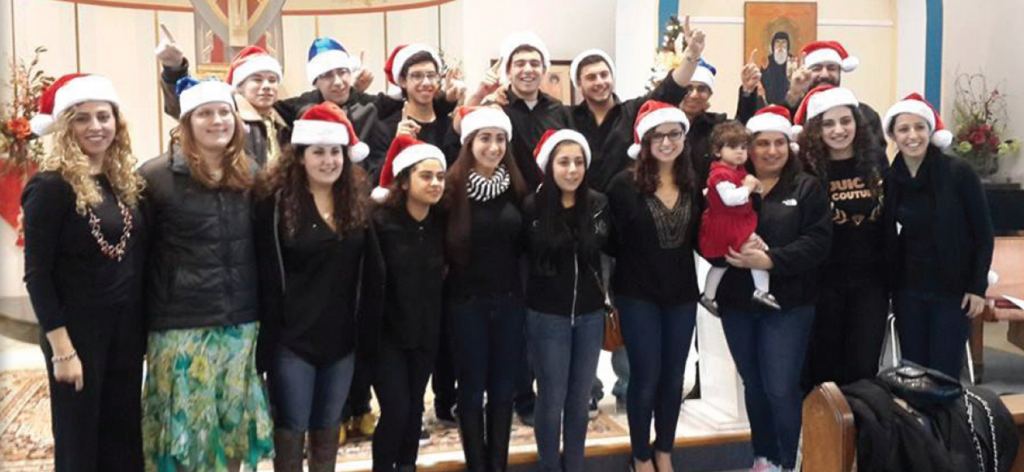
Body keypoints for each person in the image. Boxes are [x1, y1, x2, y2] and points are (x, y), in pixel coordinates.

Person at [563, 19, 705, 415]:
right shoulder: (567, 119)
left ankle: (630, 386)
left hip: (631, 230)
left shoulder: (630, 113)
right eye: (589, 76)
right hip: (583, 230)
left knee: (628, 306)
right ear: (579, 83)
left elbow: (671, 90)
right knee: (588, 311)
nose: (598, 81)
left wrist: (691, 55)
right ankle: (587, 388)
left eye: (604, 74)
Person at [139, 77, 274, 472]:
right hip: (180, 325)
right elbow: (139, 258)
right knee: (187, 436)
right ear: (186, 123)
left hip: (239, 321)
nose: (217, 121)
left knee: (233, 427)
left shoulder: (249, 171)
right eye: (205, 114)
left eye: (224, 113)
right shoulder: (155, 177)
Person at [22, 73, 146, 472]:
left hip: (124, 331)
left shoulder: (122, 182)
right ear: (65, 127)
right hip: (75, 332)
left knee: (123, 436)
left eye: (104, 116)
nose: (96, 126)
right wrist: (63, 351)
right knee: (80, 442)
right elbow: (37, 277)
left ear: (117, 123)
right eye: (82, 118)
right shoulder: (50, 187)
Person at [253, 102, 382, 472]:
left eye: (335, 152)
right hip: (292, 341)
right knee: (291, 428)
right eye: (319, 152)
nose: (329, 161)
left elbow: (371, 271)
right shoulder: (275, 205)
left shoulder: (356, 204)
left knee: (328, 430)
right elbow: (263, 272)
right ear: (300, 157)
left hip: (342, 341)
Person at [716, 106, 832, 472]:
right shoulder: (731, 186)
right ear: (747, 148)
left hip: (789, 303)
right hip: (737, 302)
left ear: (789, 146)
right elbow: (707, 228)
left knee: (780, 386)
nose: (770, 151)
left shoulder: (806, 187)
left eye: (778, 143)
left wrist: (771, 261)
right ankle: (763, 457)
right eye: (761, 143)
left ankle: (792, 459)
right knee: (753, 384)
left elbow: (818, 242)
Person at [605, 100, 700, 472]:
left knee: (674, 378)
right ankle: (641, 456)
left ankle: (665, 451)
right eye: (657, 136)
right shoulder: (623, 185)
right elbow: (610, 243)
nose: (666, 142)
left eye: (673, 134)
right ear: (644, 142)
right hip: (636, 294)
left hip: (681, 295)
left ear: (683, 138)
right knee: (644, 378)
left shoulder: (693, 183)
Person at [882, 93, 994, 379]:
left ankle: (947, 426)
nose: (912, 135)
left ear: (931, 131)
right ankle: (917, 426)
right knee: (914, 375)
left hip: (952, 292)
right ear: (893, 135)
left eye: (920, 127)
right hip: (909, 290)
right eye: (903, 129)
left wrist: (977, 287)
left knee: (943, 376)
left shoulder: (959, 173)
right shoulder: (892, 178)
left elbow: (983, 234)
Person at [444, 106, 526, 472]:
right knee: (472, 391)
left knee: (504, 391)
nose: (493, 147)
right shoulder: (450, 189)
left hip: (509, 303)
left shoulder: (516, 187)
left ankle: (498, 465)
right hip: (466, 305)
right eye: (484, 139)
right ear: (469, 143)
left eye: (499, 139)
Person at [523, 130, 609, 472]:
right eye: (563, 162)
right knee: (551, 397)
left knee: (580, 399)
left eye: (578, 162)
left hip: (589, 315)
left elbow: (603, 250)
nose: (572, 170)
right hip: (547, 316)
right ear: (550, 166)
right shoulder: (533, 206)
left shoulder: (599, 204)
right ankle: (548, 465)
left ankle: (575, 463)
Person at [793, 85, 890, 389]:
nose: (838, 130)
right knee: (825, 368)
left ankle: (863, 434)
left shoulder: (877, 165)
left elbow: (889, 224)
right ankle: (825, 436)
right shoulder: (804, 172)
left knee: (863, 367)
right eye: (828, 123)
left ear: (857, 124)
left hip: (871, 285)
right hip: (823, 285)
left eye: (845, 121)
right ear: (816, 130)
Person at [368, 135, 447, 472]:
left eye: (440, 177)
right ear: (404, 181)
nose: (435, 183)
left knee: (414, 409)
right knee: (397, 409)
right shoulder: (380, 223)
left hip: (425, 333)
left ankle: (407, 466)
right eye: (425, 176)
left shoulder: (440, 223)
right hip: (386, 336)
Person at [157, 42, 290, 168]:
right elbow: (181, 105)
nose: (266, 86)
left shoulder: (286, 118)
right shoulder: (227, 115)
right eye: (257, 80)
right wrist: (174, 69)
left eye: (272, 80)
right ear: (240, 86)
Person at [467, 31, 572, 190]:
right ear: (508, 71)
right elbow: (463, 139)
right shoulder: (496, 108)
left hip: (550, 199)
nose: (528, 69)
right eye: (520, 64)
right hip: (506, 201)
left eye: (535, 64)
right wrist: (478, 95)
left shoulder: (559, 110)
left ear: (544, 71)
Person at [698, 120, 779, 315]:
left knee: (722, 264)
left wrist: (754, 185)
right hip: (728, 226)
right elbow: (732, 199)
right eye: (733, 147)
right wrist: (750, 186)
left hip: (732, 222)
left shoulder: (735, 172)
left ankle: (708, 297)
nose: (740, 152)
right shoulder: (720, 175)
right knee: (760, 250)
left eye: (743, 147)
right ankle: (762, 291)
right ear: (718, 151)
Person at [783, 41, 886, 148]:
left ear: (840, 72)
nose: (824, 75)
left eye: (831, 68)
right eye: (817, 69)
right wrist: (794, 94)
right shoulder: (796, 113)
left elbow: (877, 157)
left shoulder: (866, 114)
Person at [680, 55, 764, 185]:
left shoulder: (716, 124)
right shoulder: (665, 126)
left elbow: (739, 128)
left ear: (710, 94)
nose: (694, 95)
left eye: (701, 89)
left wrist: (748, 90)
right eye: (688, 88)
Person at [760, 31, 793, 106]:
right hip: (771, 103)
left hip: (789, 103)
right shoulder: (768, 60)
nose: (780, 45)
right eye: (777, 42)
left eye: (783, 42)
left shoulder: (792, 61)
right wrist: (765, 71)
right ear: (773, 45)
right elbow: (764, 83)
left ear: (788, 45)